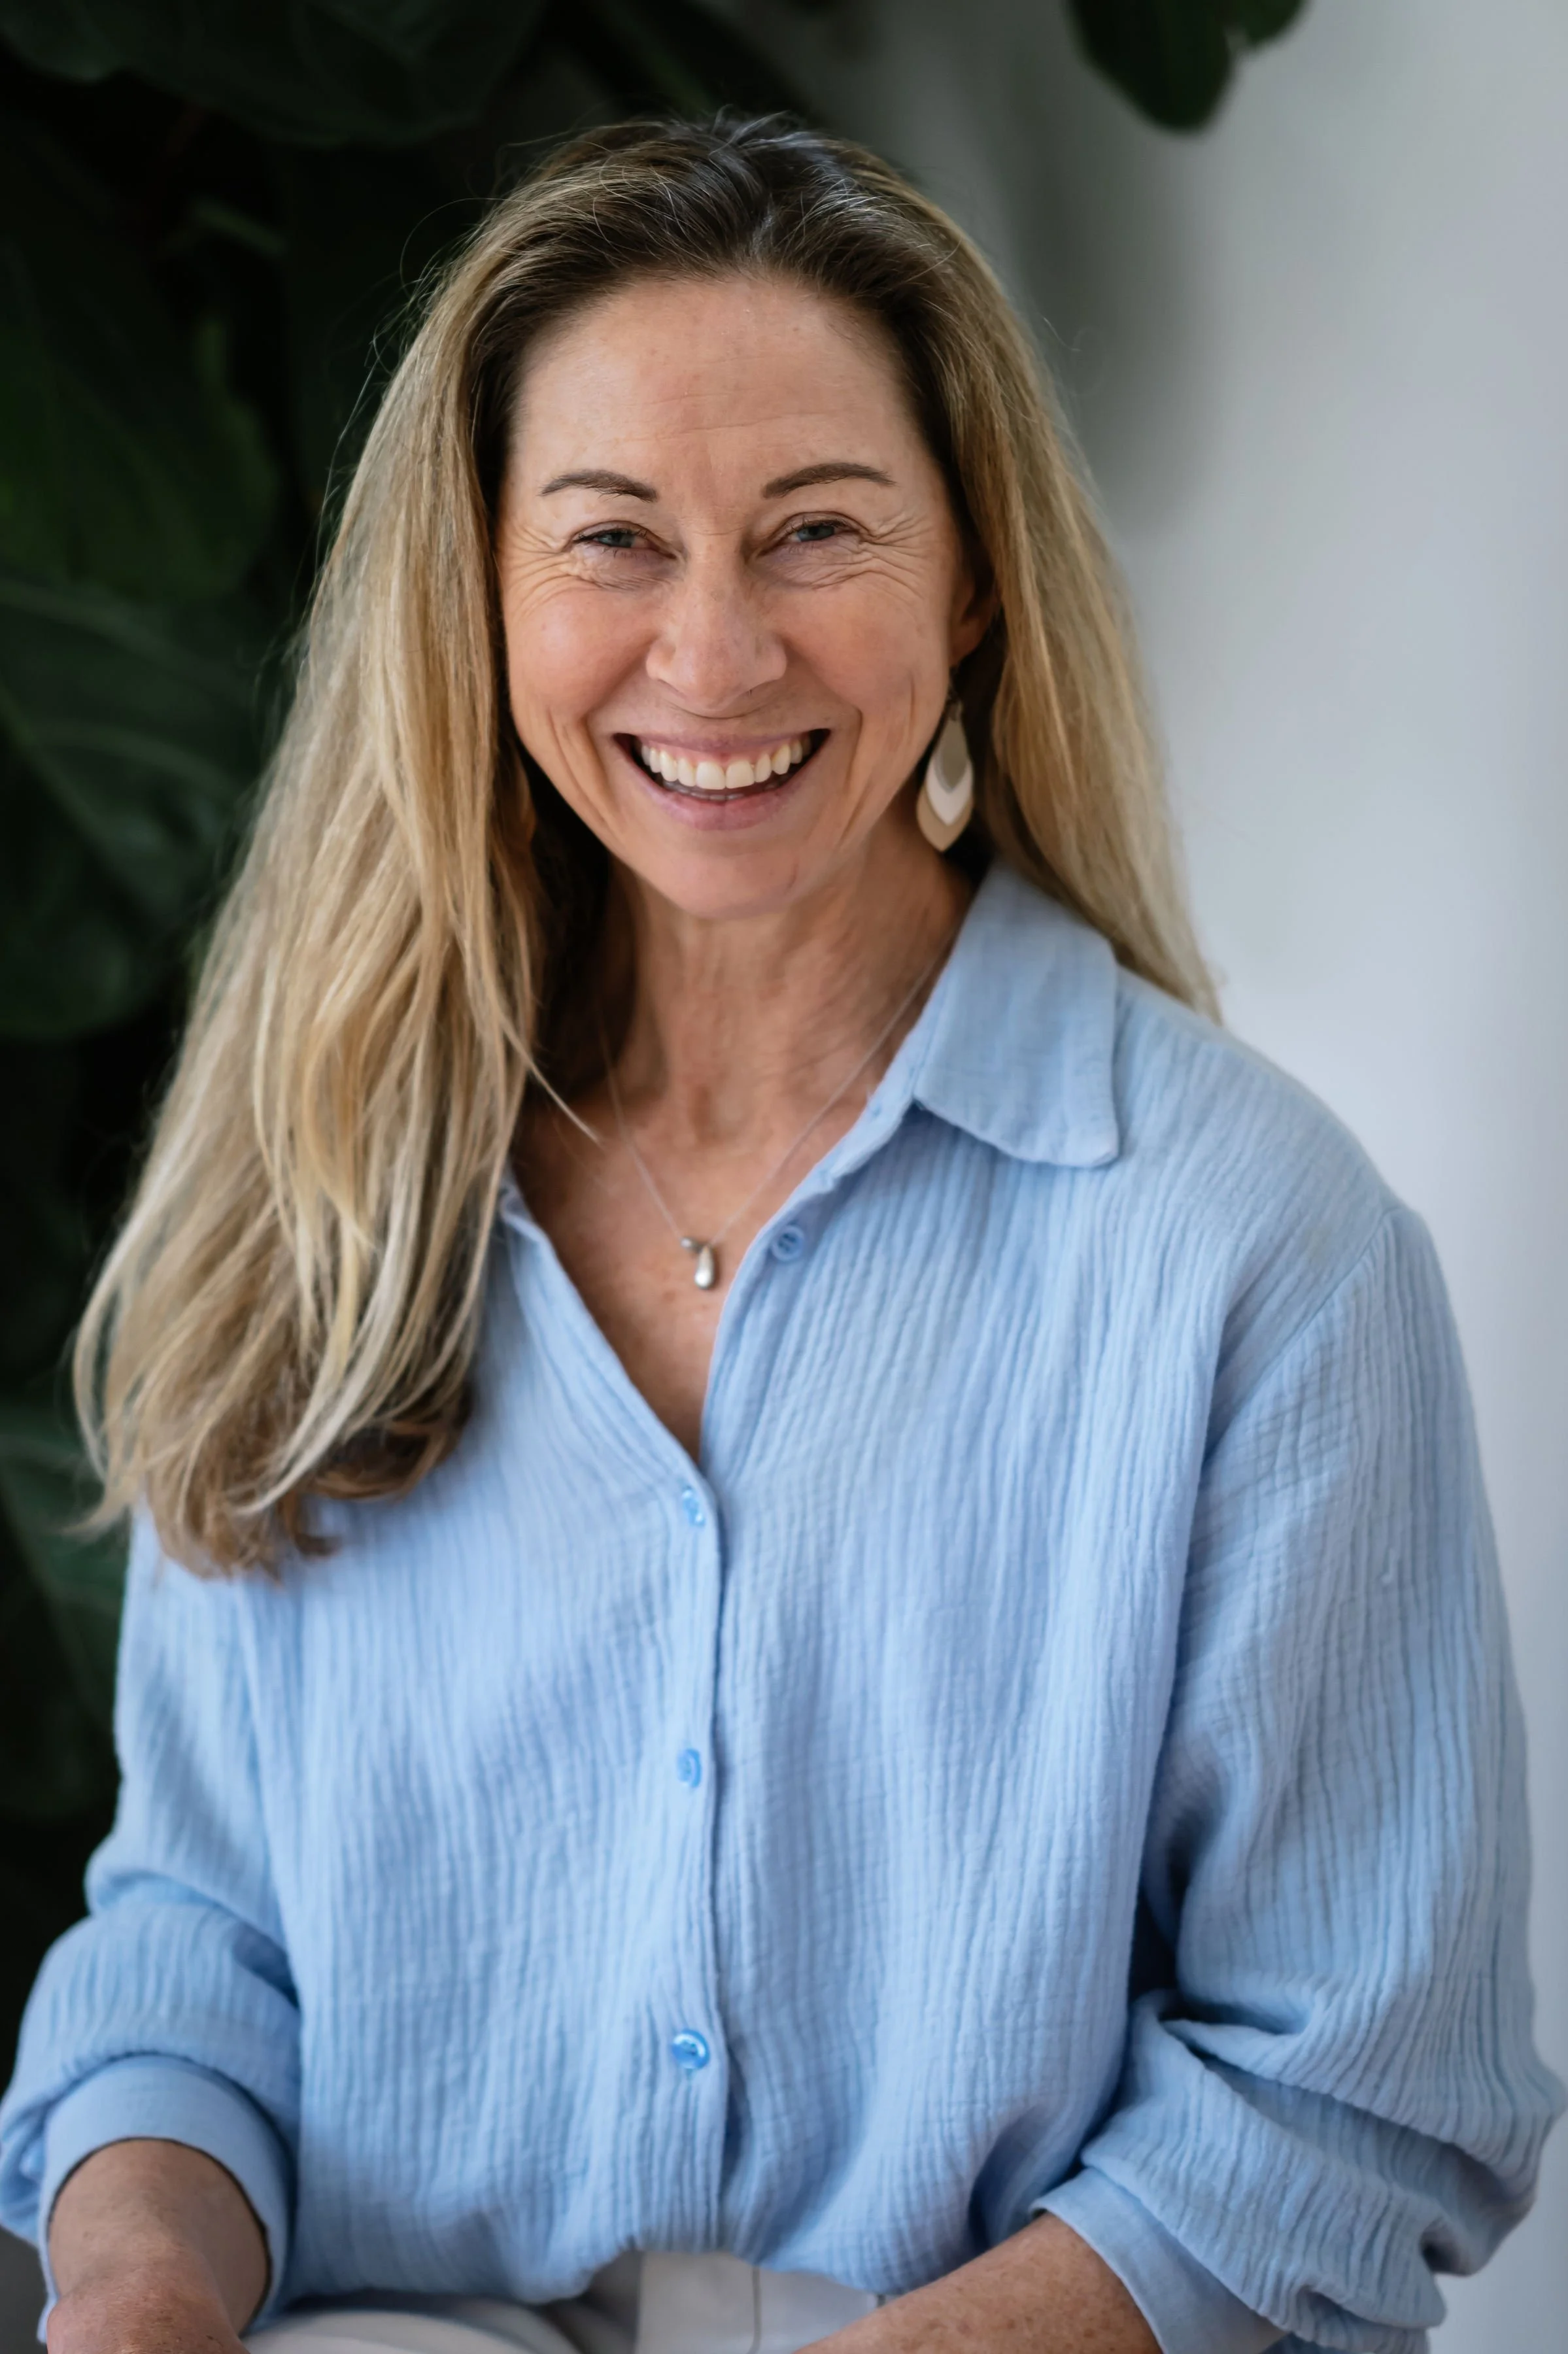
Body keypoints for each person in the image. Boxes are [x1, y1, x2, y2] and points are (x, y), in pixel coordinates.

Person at [0, 114, 1558, 2354]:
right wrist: (137, 2303)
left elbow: (1349, 2100)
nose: (709, 652)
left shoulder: (1249, 1253)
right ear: (484, 592)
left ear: (975, 579)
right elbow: (198, 1943)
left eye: (815, 532)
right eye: (610, 541)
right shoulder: (325, 1189)